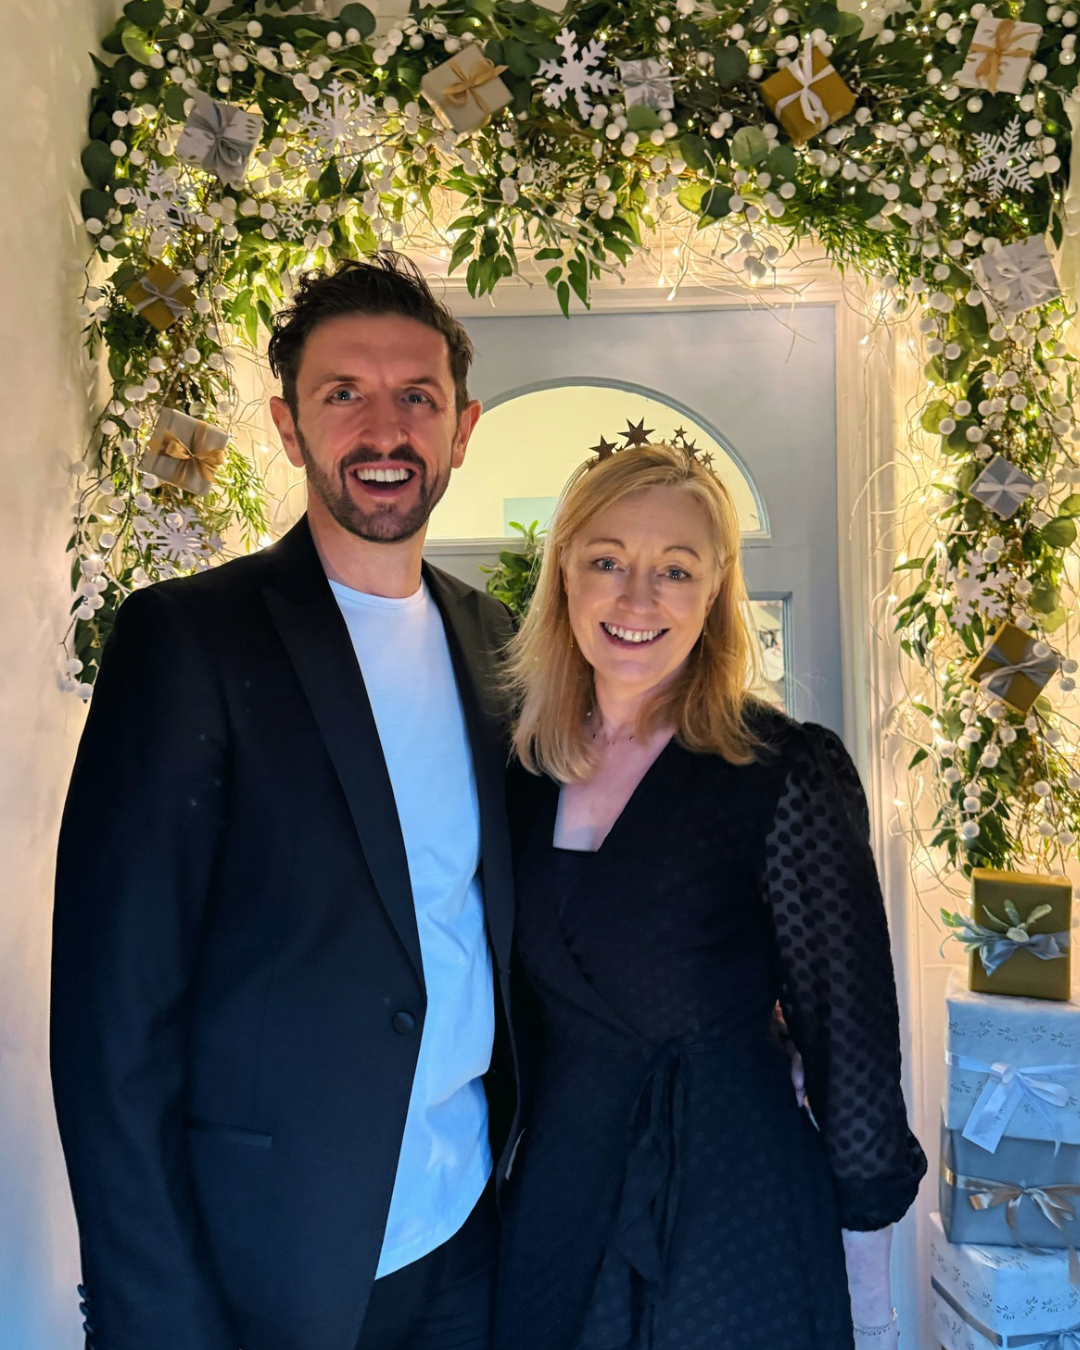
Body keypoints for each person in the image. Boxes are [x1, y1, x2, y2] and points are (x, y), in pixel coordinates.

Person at [51, 254, 520, 1350]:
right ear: (287, 424)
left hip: (468, 1233)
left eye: (418, 396)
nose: (384, 429)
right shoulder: (188, 640)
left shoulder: (497, 639)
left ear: (462, 429)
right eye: (343, 393)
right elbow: (113, 1020)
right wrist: (153, 1316)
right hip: (268, 1258)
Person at [494, 440, 927, 1350]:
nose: (636, 599)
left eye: (675, 570)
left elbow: (850, 1047)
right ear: (563, 572)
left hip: (734, 1207)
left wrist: (871, 1298)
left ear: (716, 590)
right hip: (561, 1197)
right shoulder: (522, 768)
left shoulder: (782, 771)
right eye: (607, 561)